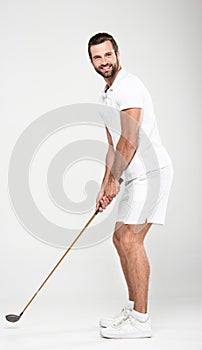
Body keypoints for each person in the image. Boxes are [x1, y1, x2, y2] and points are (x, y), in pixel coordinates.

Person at [88, 32, 173, 339]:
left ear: (118, 54)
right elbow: (112, 146)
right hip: (134, 175)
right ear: (92, 62)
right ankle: (132, 310)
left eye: (107, 55)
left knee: (130, 241)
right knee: (119, 238)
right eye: (97, 57)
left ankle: (141, 320)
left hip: (152, 172)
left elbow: (130, 138)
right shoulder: (106, 96)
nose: (104, 62)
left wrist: (115, 181)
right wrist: (104, 185)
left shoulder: (130, 87)